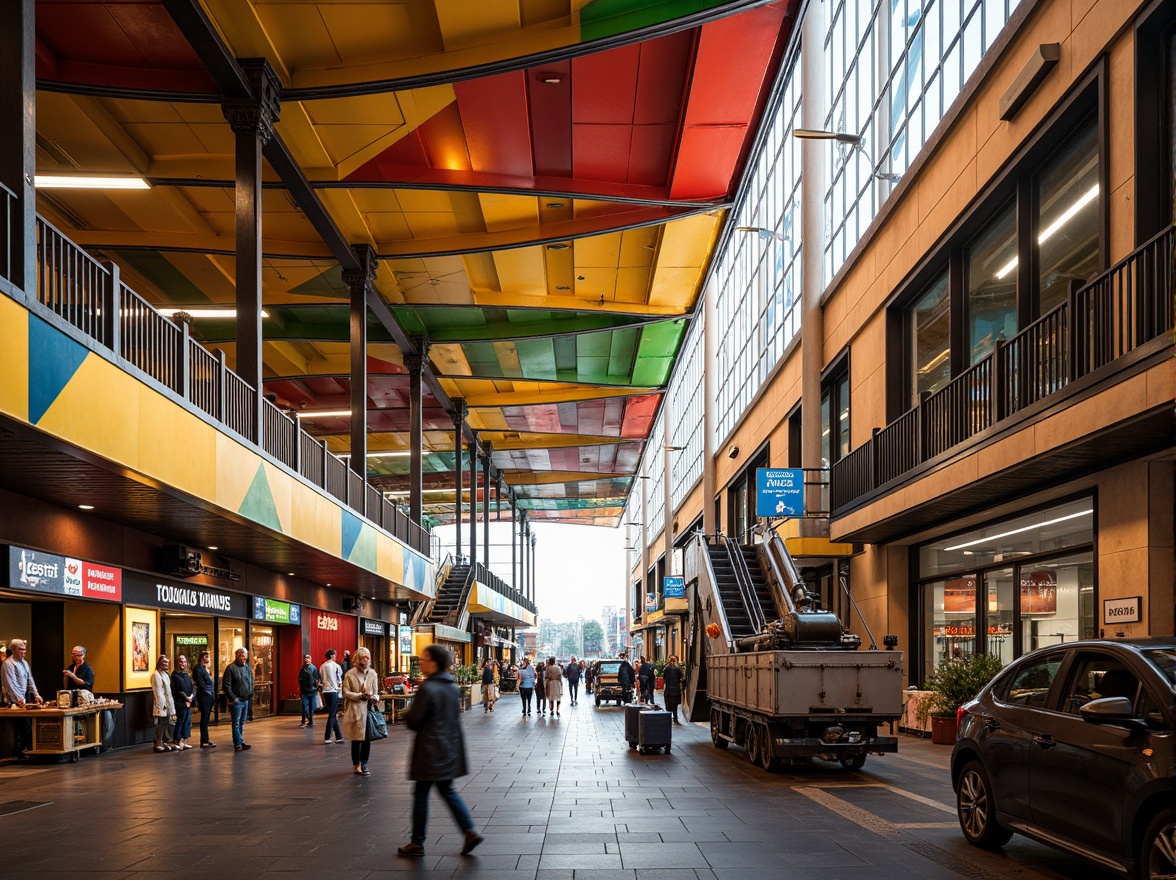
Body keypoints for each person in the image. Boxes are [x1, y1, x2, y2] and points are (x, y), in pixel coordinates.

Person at [397, 644, 482, 858]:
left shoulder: (428, 688)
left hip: (429, 751)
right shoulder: (452, 687)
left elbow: (415, 721)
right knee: (447, 790)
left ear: (434, 662)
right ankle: (469, 831)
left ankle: (417, 842)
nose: (422, 662)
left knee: (421, 794)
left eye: (425, 658)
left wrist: (406, 714)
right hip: (449, 748)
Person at [341, 646, 382, 776]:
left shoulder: (373, 674)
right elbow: (345, 692)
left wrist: (374, 697)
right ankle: (356, 764)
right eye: (363, 658)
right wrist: (358, 695)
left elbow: (376, 692)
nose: (365, 660)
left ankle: (364, 763)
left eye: (367, 658)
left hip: (369, 710)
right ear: (357, 659)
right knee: (356, 738)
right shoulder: (350, 674)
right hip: (356, 710)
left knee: (366, 739)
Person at [2, 638, 43, 759]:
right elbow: (10, 684)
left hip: (24, 698)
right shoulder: (8, 664)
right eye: (21, 650)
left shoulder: (24, 663)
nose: (24, 652)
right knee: (23, 726)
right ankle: (19, 751)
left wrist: (37, 695)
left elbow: (30, 680)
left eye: (25, 649)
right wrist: (18, 699)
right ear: (14, 650)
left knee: (28, 725)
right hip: (13, 701)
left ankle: (23, 750)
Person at [222, 647, 254, 751]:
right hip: (237, 700)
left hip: (245, 699)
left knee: (242, 722)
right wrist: (233, 698)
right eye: (243, 657)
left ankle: (240, 741)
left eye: (245, 658)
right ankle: (237, 744)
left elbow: (250, 680)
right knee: (236, 723)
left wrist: (250, 692)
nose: (244, 659)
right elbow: (226, 685)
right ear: (238, 655)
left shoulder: (247, 667)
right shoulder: (231, 668)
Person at [151, 655, 177, 753]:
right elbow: (158, 691)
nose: (166, 664)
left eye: (167, 662)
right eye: (164, 662)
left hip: (168, 702)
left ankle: (164, 740)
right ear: (159, 663)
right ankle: (158, 741)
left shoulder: (166, 675)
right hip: (162, 704)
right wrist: (161, 705)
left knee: (167, 722)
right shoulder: (156, 675)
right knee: (161, 723)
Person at [170, 654, 195, 749]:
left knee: (187, 721)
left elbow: (192, 686)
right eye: (180, 661)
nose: (183, 664)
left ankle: (184, 740)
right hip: (180, 702)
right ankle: (177, 740)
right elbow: (177, 690)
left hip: (189, 701)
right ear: (176, 662)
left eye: (184, 661)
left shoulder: (186, 674)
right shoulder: (174, 676)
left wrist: (192, 696)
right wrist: (186, 697)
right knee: (180, 721)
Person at [193, 650, 216, 747]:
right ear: (203, 657)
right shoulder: (198, 669)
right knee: (204, 719)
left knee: (206, 719)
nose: (209, 658)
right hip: (205, 696)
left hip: (208, 695)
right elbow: (201, 684)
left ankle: (205, 739)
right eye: (207, 657)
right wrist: (208, 693)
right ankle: (204, 740)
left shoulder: (204, 669)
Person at [320, 648, 344, 744]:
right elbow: (339, 679)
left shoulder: (322, 666)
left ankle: (339, 736)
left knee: (332, 713)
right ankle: (327, 736)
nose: (335, 656)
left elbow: (321, 678)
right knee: (332, 714)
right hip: (333, 691)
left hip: (325, 692)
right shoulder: (336, 666)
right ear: (332, 656)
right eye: (334, 654)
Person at [298, 653, 320, 729]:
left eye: (307, 658)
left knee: (311, 706)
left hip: (312, 691)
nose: (306, 660)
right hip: (307, 691)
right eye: (305, 658)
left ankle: (310, 721)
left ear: (310, 659)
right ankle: (307, 720)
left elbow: (317, 678)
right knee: (305, 707)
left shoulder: (313, 668)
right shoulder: (304, 668)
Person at [662, 655, 684, 724]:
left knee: (668, 704)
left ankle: (668, 718)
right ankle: (675, 719)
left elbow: (664, 678)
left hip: (668, 689)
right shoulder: (677, 668)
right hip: (676, 689)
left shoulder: (666, 668)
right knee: (675, 705)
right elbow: (681, 677)